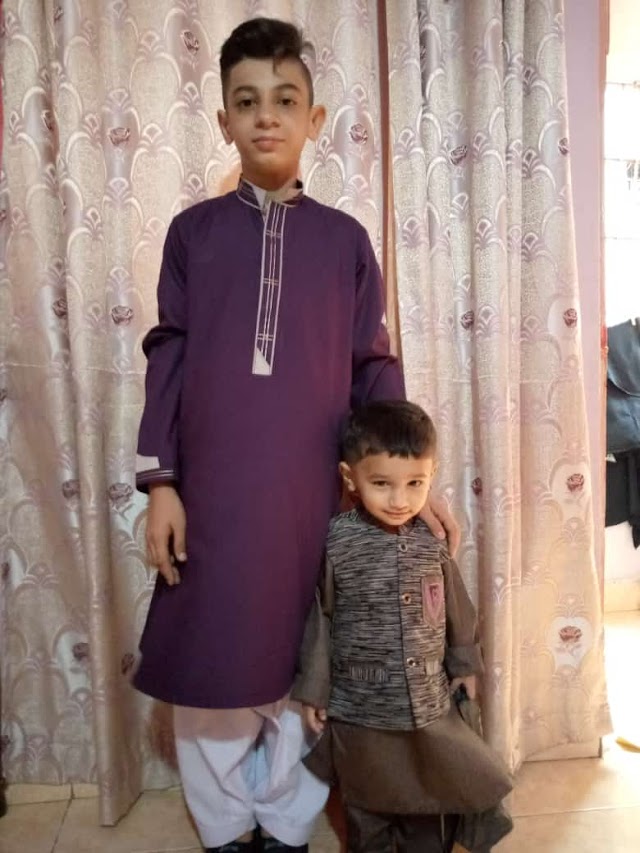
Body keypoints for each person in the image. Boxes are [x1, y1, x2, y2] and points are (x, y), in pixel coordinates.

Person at [134, 17, 459, 853]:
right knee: (211, 670)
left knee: (306, 669)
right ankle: (223, 828)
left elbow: (371, 364)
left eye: (284, 100)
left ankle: (284, 826)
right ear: (224, 121)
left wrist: (410, 486)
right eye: (246, 102)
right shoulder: (192, 236)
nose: (265, 116)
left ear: (314, 120)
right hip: (212, 497)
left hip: (316, 498)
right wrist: (161, 484)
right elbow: (168, 356)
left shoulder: (344, 242)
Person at [292, 401, 513, 853]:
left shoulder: (431, 540)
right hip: (360, 706)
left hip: (427, 700)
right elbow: (321, 619)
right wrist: (315, 689)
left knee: (428, 798)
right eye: (382, 484)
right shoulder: (337, 540)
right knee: (366, 804)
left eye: (415, 483)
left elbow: (456, 610)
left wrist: (465, 666)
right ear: (350, 478)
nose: (400, 500)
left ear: (432, 475)